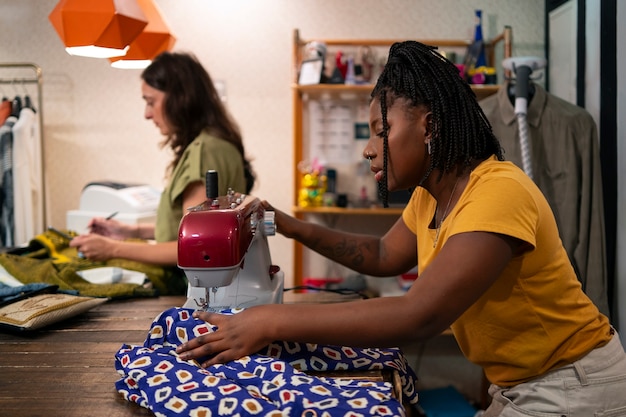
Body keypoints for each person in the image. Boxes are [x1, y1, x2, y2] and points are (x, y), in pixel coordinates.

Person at [176, 41, 626, 415]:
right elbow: (382, 256)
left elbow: (419, 316)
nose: (369, 150)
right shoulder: (433, 195)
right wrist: (285, 224)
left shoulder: (497, 193)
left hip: (575, 386)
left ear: (429, 125)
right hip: (525, 385)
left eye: (380, 130)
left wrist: (269, 321)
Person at [70, 51, 255, 294]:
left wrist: (112, 248)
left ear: (180, 99)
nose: (147, 114)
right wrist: (129, 232)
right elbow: (195, 225)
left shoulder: (204, 151)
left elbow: (196, 246)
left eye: (150, 101)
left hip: (192, 290)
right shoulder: (217, 144)